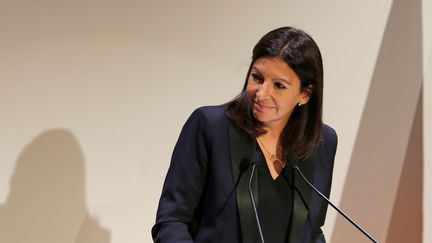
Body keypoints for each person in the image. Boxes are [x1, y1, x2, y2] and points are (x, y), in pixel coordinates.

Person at [151, 26, 338, 243]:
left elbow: (312, 232)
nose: (262, 93)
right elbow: (172, 221)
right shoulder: (211, 127)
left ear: (305, 94)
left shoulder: (321, 143)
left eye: (279, 85)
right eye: (257, 78)